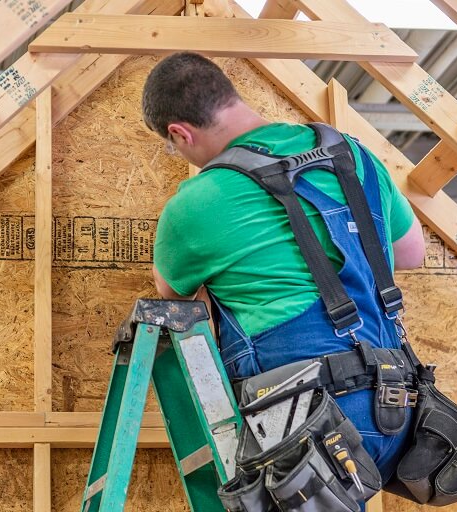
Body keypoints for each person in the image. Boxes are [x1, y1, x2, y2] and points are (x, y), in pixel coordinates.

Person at [143, 52, 426, 490]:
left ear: (180, 133)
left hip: (306, 424)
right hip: (402, 409)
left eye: (171, 145)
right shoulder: (353, 153)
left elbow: (173, 295)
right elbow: (410, 253)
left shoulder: (195, 203)